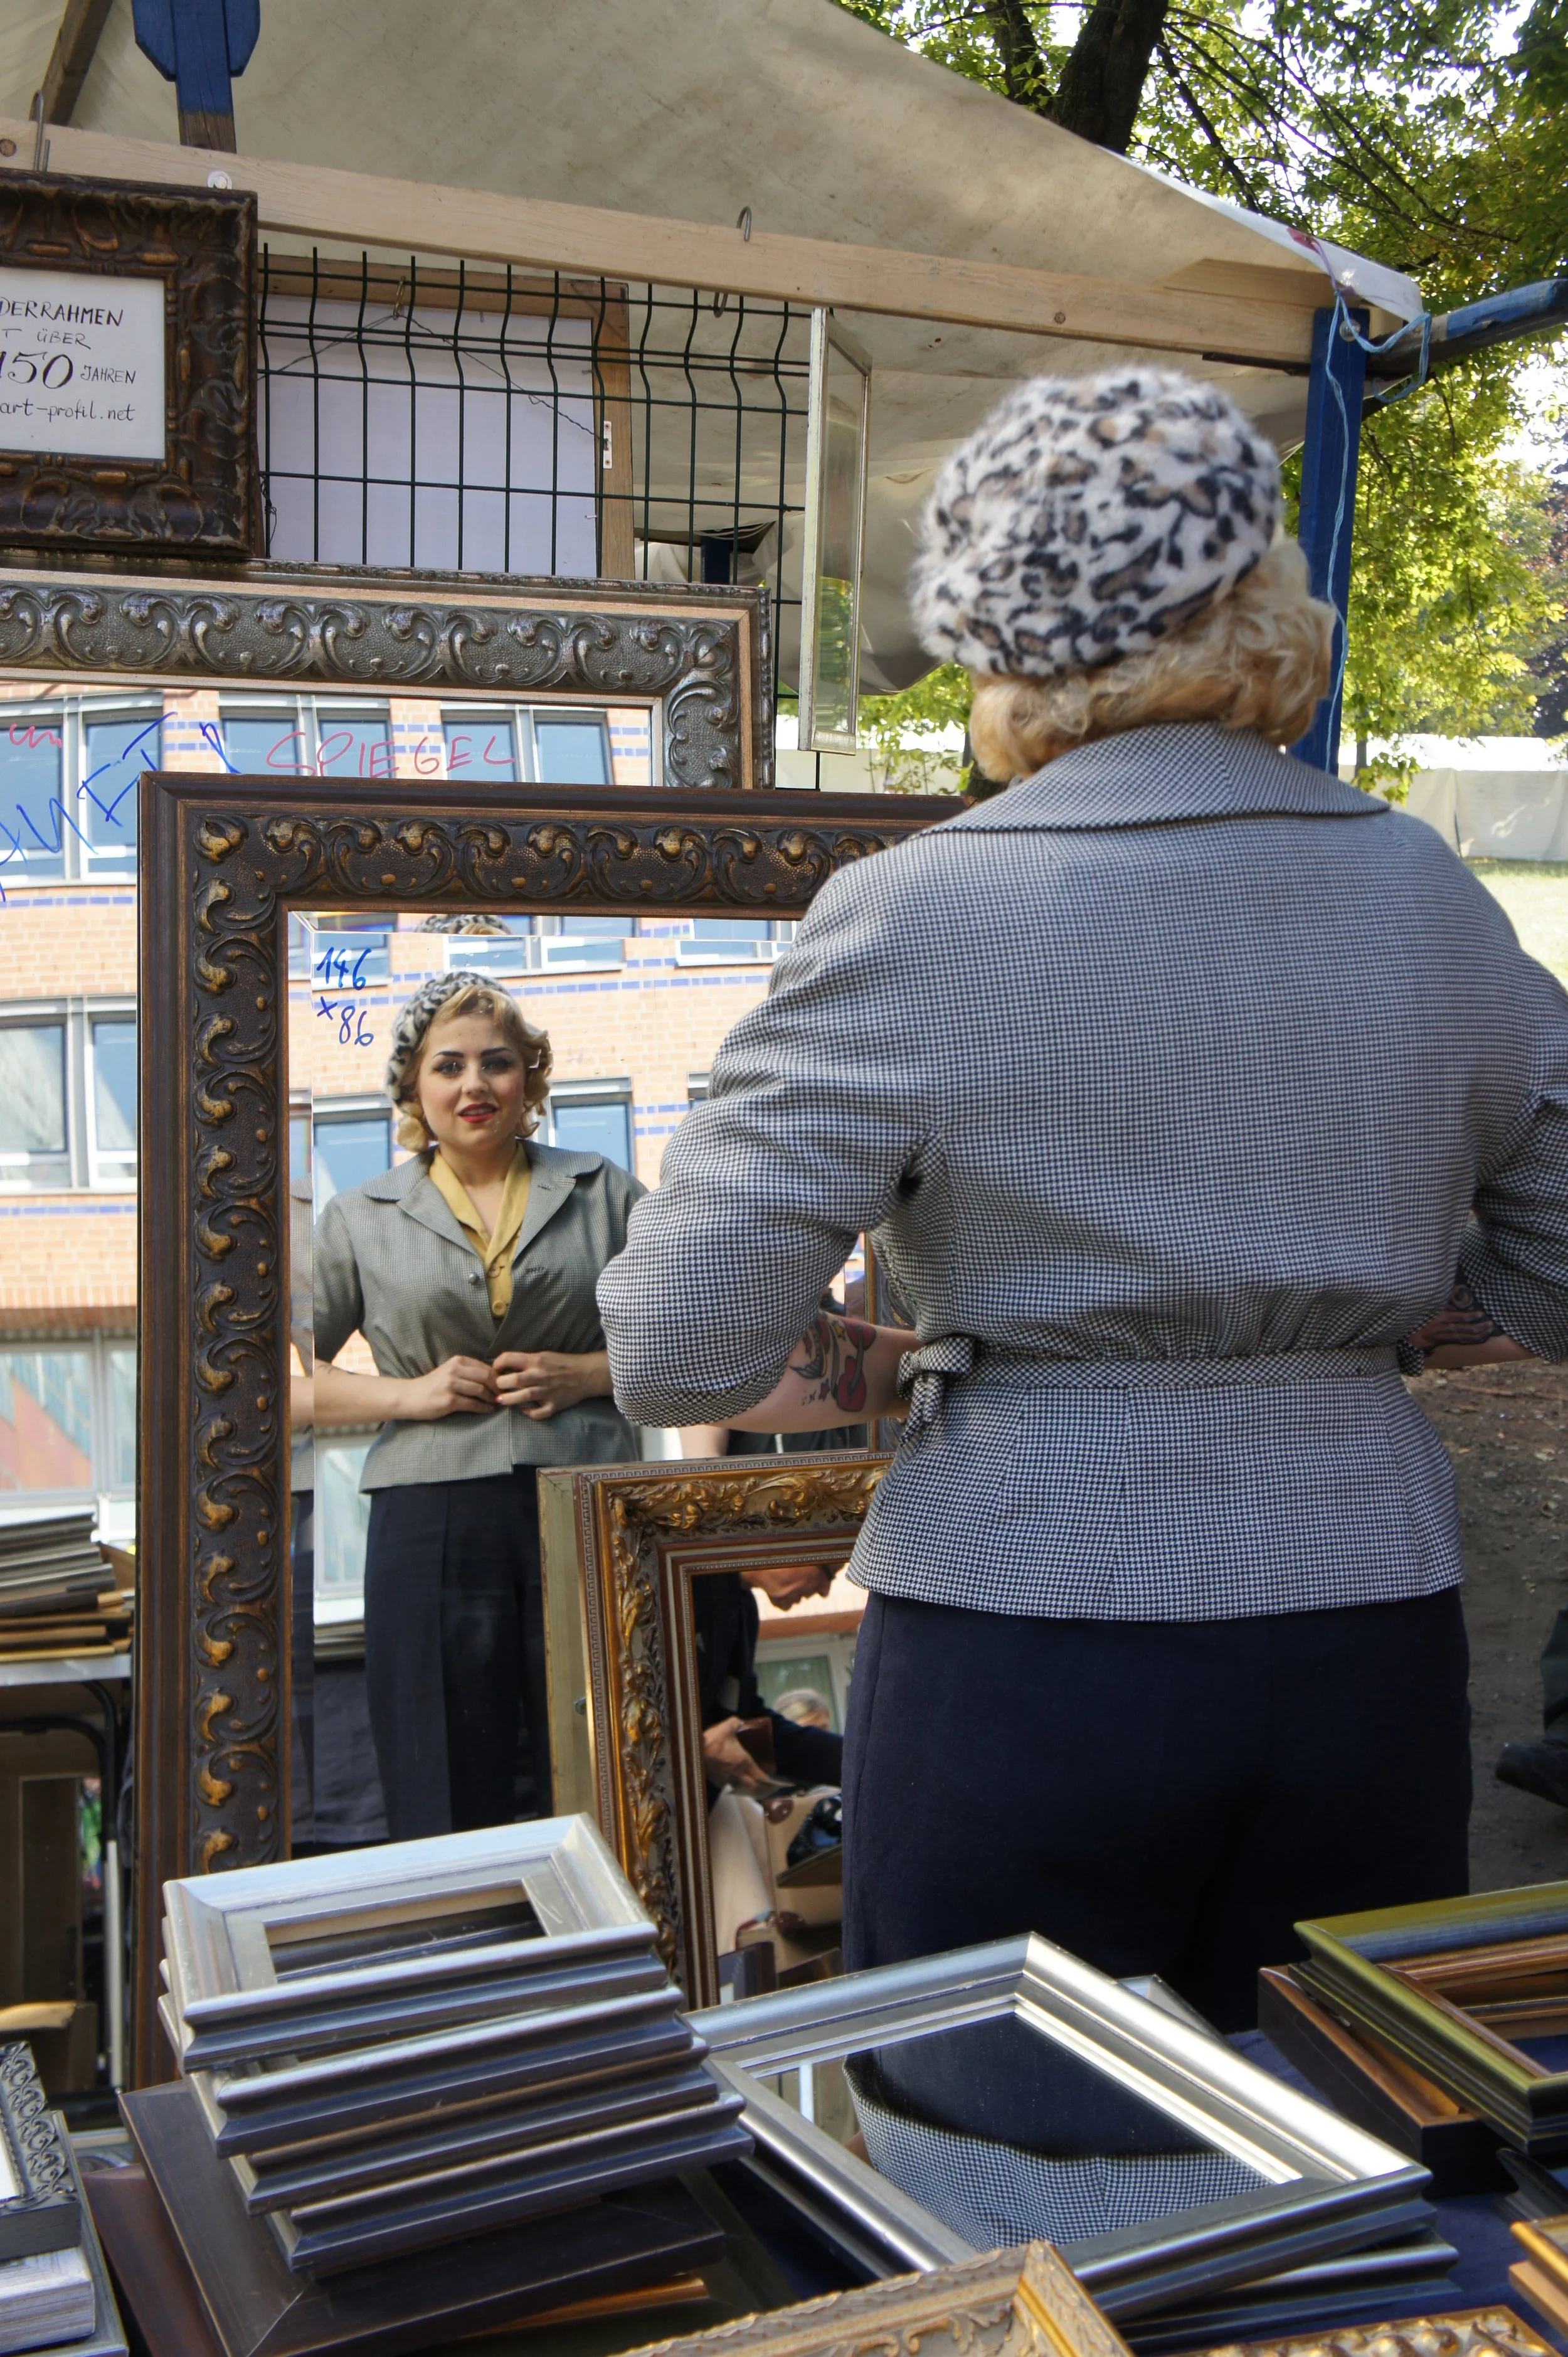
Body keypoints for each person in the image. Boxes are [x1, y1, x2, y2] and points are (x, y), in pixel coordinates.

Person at [598, 366, 1568, 2032]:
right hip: (1368, 1628)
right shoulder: (1423, 890)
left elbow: (680, 1351)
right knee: (1353, 2163)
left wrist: (914, 1355)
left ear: (993, 639)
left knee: (1008, 2177)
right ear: (1260, 593)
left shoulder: (905, 912)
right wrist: (1350, 1312)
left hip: (1022, 1627)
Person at [314, 970, 643, 1840]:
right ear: (413, 1087)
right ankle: (462, 1960)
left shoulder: (605, 1192)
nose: (473, 1085)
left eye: (497, 1064)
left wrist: (586, 1375)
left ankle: (611, 1960)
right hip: (431, 1513)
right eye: (448, 1066)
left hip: (587, 1502)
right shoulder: (358, 1219)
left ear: (529, 1079)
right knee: (443, 1781)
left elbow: (691, 1339)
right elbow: (264, 1375)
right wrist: (408, 1395)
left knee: (609, 1759)